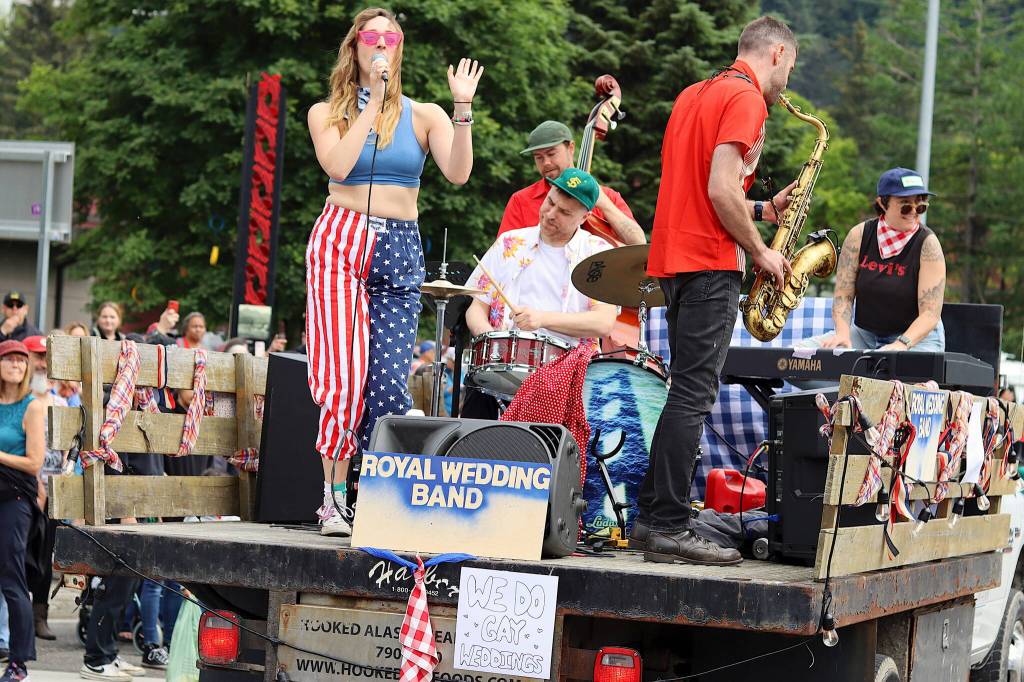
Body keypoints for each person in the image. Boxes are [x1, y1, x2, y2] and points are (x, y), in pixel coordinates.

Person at [305, 7, 483, 536]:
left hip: (400, 244)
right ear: (355, 46)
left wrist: (461, 108)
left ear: (400, 47)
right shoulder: (327, 112)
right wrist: (373, 103)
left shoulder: (424, 114)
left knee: (386, 384)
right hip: (342, 238)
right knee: (342, 380)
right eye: (371, 36)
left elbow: (457, 173)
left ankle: (377, 494)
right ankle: (333, 498)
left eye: (391, 37)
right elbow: (337, 165)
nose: (381, 44)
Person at [636, 16, 800, 566]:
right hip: (709, 263)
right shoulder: (747, 99)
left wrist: (763, 209)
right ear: (777, 53)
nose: (786, 84)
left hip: (675, 261)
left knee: (684, 392)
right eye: (790, 68)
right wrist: (761, 250)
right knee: (694, 396)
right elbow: (719, 187)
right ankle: (667, 524)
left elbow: (703, 188)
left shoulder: (693, 94)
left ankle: (654, 517)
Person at [462, 168, 617, 418]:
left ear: (585, 216)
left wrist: (542, 319)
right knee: (473, 431)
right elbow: (476, 307)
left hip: (566, 376)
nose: (550, 214)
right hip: (498, 368)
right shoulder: (510, 242)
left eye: (564, 212)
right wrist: (492, 339)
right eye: (550, 202)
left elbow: (604, 322)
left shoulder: (597, 254)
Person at [797, 168, 945, 353]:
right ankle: (855, 381)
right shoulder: (859, 235)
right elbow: (843, 294)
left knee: (886, 375)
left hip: (915, 340)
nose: (914, 212)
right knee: (796, 356)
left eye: (920, 206)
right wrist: (842, 334)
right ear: (882, 203)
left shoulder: (928, 244)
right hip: (864, 335)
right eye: (905, 205)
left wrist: (900, 345)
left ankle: (868, 380)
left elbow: (930, 314)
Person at [498, 121, 645, 245]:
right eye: (538, 157)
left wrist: (604, 204)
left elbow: (638, 243)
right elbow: (505, 253)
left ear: (571, 148)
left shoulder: (608, 196)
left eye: (551, 153)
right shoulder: (520, 200)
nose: (546, 163)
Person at [0, 340, 46, 682]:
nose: (15, 365)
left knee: (12, 579)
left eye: (20, 360)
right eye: (8, 359)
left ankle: (19, 661)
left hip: (14, 499)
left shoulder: (32, 407)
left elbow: (34, 463)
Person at [21, 336, 61, 642]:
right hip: (23, 489)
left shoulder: (60, 403)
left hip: (55, 491)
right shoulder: (17, 402)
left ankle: (40, 615)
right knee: (18, 555)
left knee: (44, 557)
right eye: (37, 355)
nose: (43, 362)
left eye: (46, 356)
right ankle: (17, 617)